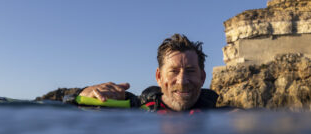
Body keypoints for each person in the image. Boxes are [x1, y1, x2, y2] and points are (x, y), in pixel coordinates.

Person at [44, 33, 219, 113]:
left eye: (190, 71)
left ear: (202, 77)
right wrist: (81, 95)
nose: (182, 80)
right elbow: (67, 109)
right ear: (159, 77)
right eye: (173, 71)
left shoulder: (223, 117)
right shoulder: (137, 109)